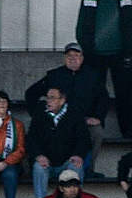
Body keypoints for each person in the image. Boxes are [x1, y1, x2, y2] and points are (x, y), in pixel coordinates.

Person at [75, 0, 132, 137]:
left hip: (121, 53)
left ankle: (128, 132)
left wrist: (129, 47)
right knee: (95, 93)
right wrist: (87, 48)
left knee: (125, 93)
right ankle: (96, 131)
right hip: (95, 54)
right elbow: (83, 23)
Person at [25, 44, 108, 178]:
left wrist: (98, 117)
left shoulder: (92, 75)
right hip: (60, 120)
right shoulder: (54, 75)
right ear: (64, 58)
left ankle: (88, 169)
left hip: (84, 119)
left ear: (82, 58)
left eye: (76, 55)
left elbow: (103, 98)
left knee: (97, 132)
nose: (73, 59)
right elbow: (31, 93)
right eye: (69, 56)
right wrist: (39, 115)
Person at [26, 87, 90, 198]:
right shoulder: (40, 112)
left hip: (66, 161)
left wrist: (78, 154)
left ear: (62, 100)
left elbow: (84, 138)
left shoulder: (75, 113)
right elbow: (31, 138)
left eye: (52, 98)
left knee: (76, 166)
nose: (48, 101)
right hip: (47, 161)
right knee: (38, 167)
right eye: (47, 97)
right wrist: (38, 155)